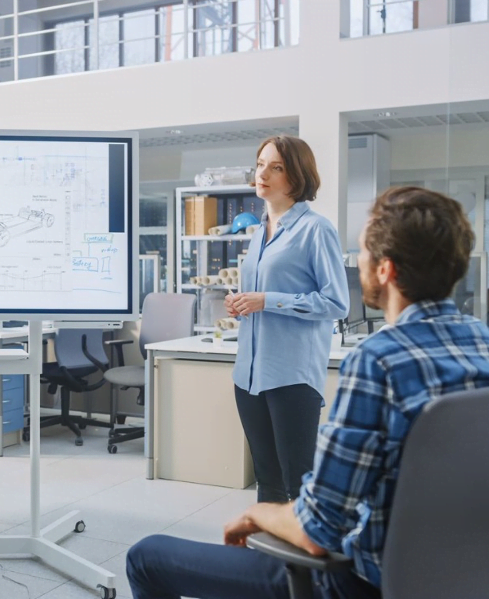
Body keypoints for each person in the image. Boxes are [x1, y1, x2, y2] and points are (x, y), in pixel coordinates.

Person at [127, 186, 489, 599]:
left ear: (385, 269)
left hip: (359, 581)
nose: (357, 261)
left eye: (362, 252)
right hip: (463, 580)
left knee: (147, 556)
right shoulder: (482, 344)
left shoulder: (379, 361)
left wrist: (258, 512)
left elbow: (319, 530)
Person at [226, 135, 349, 503]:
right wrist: (240, 304)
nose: (263, 173)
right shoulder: (258, 231)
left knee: (297, 484)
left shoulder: (316, 229)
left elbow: (336, 303)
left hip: (291, 377)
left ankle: (300, 560)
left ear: (296, 176)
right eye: (260, 164)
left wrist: (268, 300)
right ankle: (267, 558)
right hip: (247, 376)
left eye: (276, 167)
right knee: (268, 481)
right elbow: (261, 297)